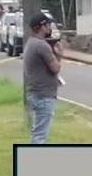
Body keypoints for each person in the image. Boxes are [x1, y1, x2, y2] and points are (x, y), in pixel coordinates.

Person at [23, 11, 64, 144]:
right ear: (42, 27)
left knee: (37, 131)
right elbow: (55, 68)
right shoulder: (42, 45)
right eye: (48, 25)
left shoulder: (31, 43)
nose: (49, 28)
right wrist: (59, 55)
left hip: (35, 93)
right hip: (43, 96)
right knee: (40, 136)